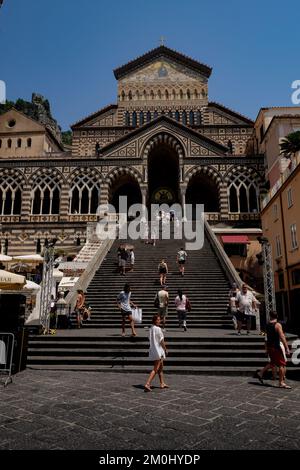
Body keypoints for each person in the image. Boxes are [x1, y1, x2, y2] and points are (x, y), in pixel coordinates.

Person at [254, 311, 291, 389]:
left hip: (270, 346)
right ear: (277, 316)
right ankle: (281, 382)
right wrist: (287, 347)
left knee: (273, 363)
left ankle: (260, 373)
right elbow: (282, 336)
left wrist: (266, 348)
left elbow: (265, 337)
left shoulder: (267, 325)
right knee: (282, 364)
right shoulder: (277, 325)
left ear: (270, 316)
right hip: (276, 347)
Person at [144, 315, 169, 392]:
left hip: (154, 349)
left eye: (159, 319)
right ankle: (147, 384)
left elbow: (149, 338)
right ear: (154, 321)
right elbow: (161, 341)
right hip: (159, 350)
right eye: (158, 320)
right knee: (156, 368)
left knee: (161, 367)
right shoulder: (158, 329)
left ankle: (162, 383)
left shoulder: (151, 329)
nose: (159, 321)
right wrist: (165, 349)